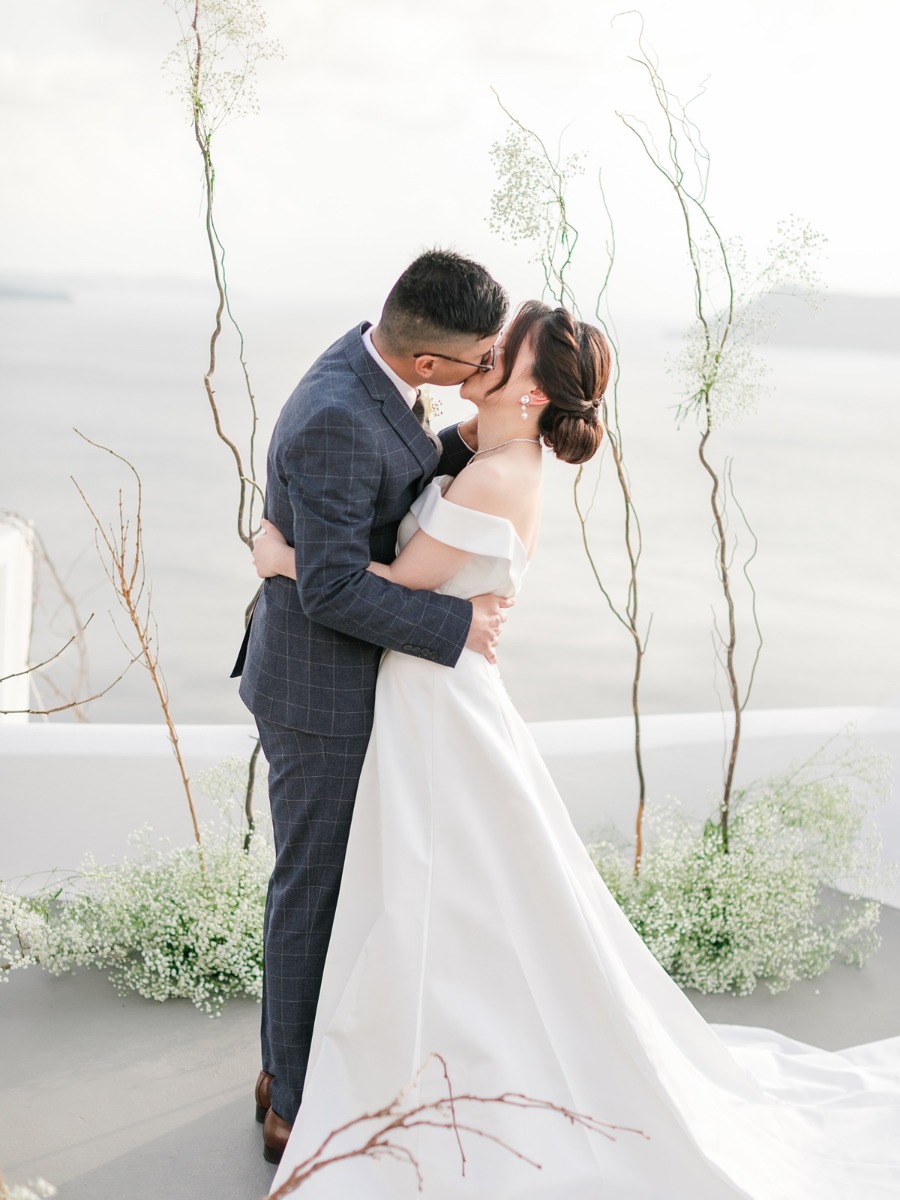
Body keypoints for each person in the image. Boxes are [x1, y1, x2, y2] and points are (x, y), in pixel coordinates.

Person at [255, 299, 900, 1199]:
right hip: (425, 696)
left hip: (436, 703)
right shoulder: (482, 450)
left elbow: (392, 582)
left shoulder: (499, 475)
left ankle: (417, 1064)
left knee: (440, 891)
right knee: (424, 887)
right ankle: (362, 1058)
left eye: (499, 354)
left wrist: (281, 556)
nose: (480, 360)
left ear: (527, 390)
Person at [233, 249, 512, 1163]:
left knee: (337, 886)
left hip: (347, 678)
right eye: (481, 358)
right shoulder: (335, 416)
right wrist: (455, 620)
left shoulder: (377, 368)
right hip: (318, 689)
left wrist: (474, 442)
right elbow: (334, 590)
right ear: (430, 364)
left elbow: (386, 478)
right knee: (311, 890)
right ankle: (291, 1101)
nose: (490, 365)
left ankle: (296, 1066)